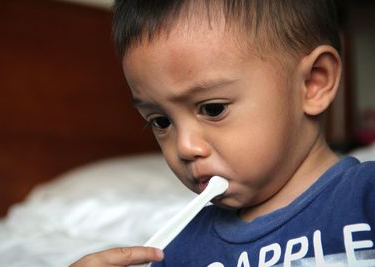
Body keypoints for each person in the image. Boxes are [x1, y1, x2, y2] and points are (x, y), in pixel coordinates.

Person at [71, 0, 375, 266]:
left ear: (312, 83)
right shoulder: (176, 251)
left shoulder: (365, 197)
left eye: (213, 109)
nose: (185, 147)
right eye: (161, 121)